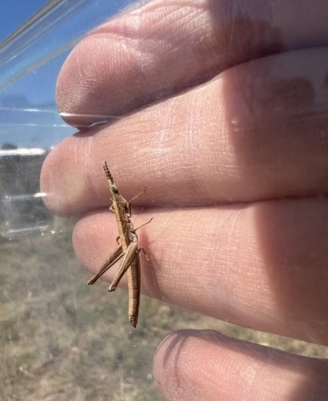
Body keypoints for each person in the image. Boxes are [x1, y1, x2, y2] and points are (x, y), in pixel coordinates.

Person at [41, 0, 328, 399]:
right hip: (131, 247)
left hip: (132, 245)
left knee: (132, 242)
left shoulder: (121, 203)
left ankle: (121, 284)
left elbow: (123, 204)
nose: (116, 194)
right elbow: (124, 211)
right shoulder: (120, 204)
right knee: (132, 243)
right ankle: (115, 285)